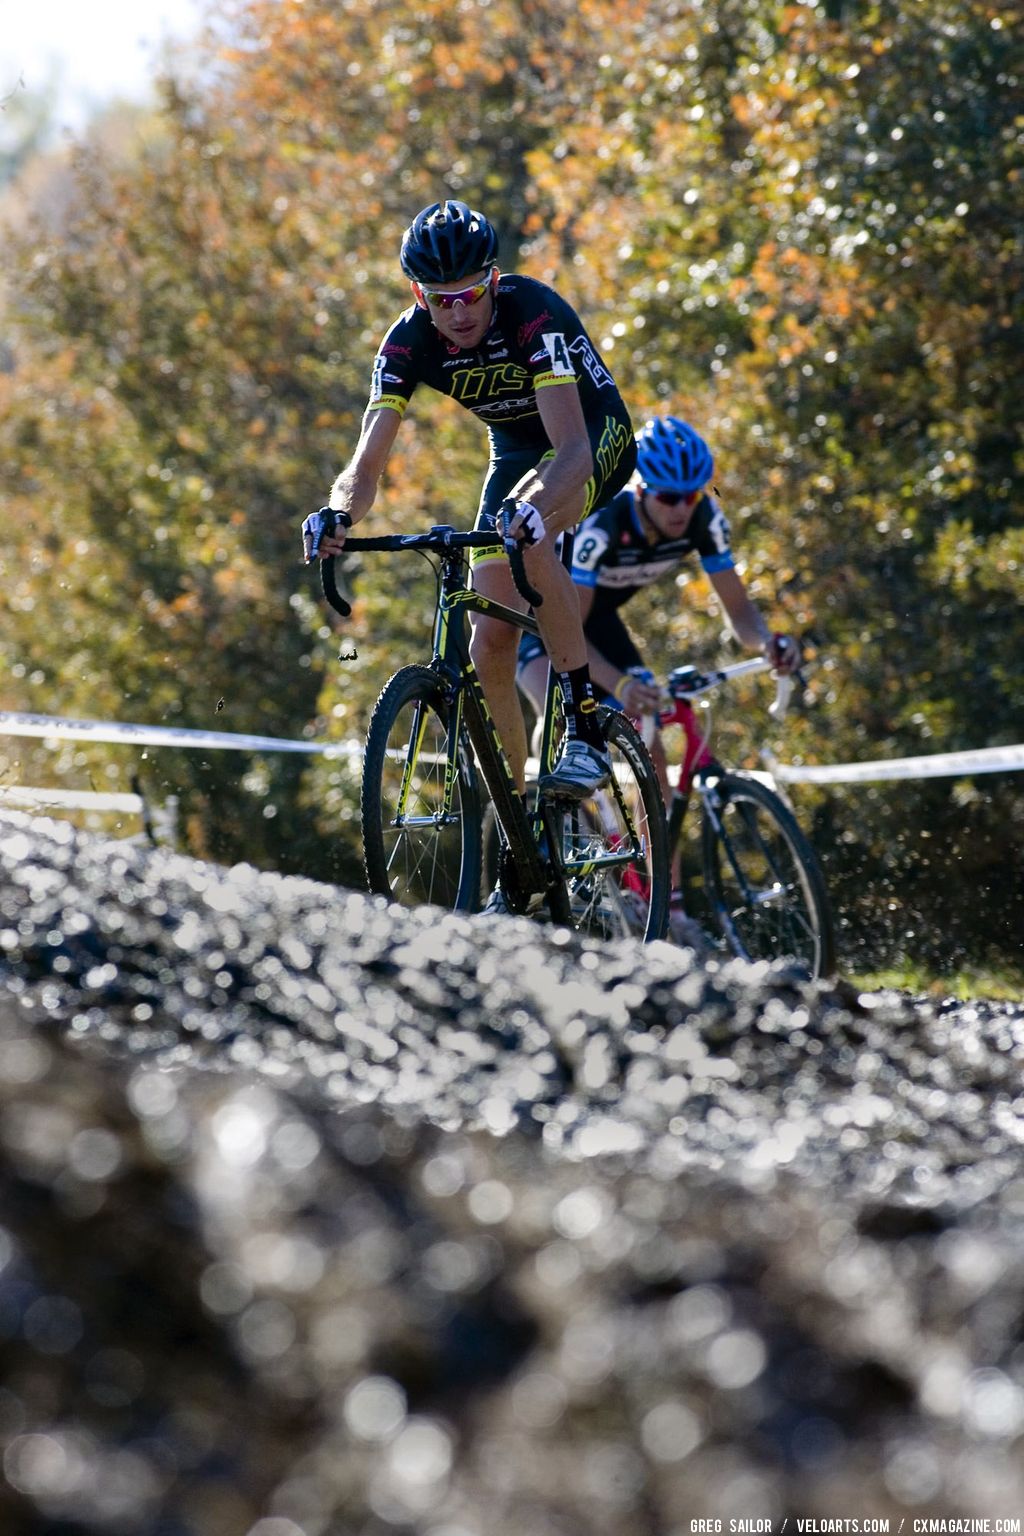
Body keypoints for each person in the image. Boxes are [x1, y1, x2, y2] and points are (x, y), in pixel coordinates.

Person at [302, 200, 638, 909]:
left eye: (470, 294)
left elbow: (572, 450)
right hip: (514, 453)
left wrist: (533, 506)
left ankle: (580, 723)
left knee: (528, 529)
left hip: (588, 439)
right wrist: (336, 510)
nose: (457, 313)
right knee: (489, 640)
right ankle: (520, 836)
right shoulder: (407, 343)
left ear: (493, 280)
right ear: (417, 294)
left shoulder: (532, 315)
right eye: (438, 298)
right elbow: (366, 465)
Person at [516, 414, 801, 935]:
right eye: (668, 498)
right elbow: (568, 633)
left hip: (595, 619)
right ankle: (568, 848)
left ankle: (663, 904)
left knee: (654, 748)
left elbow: (740, 614)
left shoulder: (702, 518)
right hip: (541, 623)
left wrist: (770, 643)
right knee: (562, 727)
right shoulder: (603, 525)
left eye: (690, 497)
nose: (680, 509)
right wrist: (621, 685)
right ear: (641, 488)